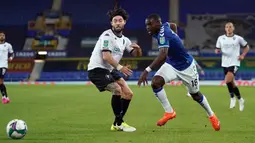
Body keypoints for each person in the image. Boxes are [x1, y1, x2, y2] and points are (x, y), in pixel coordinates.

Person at [138, 14, 220, 131]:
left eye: (149, 24)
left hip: (186, 67)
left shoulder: (163, 34)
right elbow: (173, 25)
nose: (147, 27)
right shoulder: (164, 26)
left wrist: (147, 70)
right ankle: (169, 112)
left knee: (195, 95)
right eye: (146, 25)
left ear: (157, 23)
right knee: (156, 82)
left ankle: (212, 115)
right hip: (171, 65)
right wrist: (175, 36)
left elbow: (162, 55)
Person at [87, 8, 142, 132]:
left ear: (124, 22)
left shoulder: (125, 40)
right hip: (97, 69)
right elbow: (106, 56)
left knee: (128, 94)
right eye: (115, 21)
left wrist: (138, 49)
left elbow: (135, 54)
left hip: (110, 70)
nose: (117, 23)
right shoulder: (107, 36)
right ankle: (118, 124)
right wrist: (120, 67)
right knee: (117, 90)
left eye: (120, 20)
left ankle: (117, 123)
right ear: (111, 23)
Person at [215, 22, 249, 111]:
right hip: (225, 63)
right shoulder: (220, 38)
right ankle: (240, 99)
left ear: (233, 28)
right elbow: (217, 48)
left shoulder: (238, 38)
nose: (228, 28)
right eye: (227, 27)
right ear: (225, 29)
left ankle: (232, 98)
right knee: (231, 83)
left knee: (227, 80)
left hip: (235, 62)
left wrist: (243, 55)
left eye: (230, 27)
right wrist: (217, 51)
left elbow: (246, 47)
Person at [0, 32, 14, 104]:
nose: (2, 36)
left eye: (3, 35)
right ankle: (6, 97)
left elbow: (12, 53)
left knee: (0, 81)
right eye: (1, 35)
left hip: (3, 65)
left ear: (5, 37)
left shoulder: (8, 45)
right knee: (0, 82)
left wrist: (11, 57)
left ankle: (4, 97)